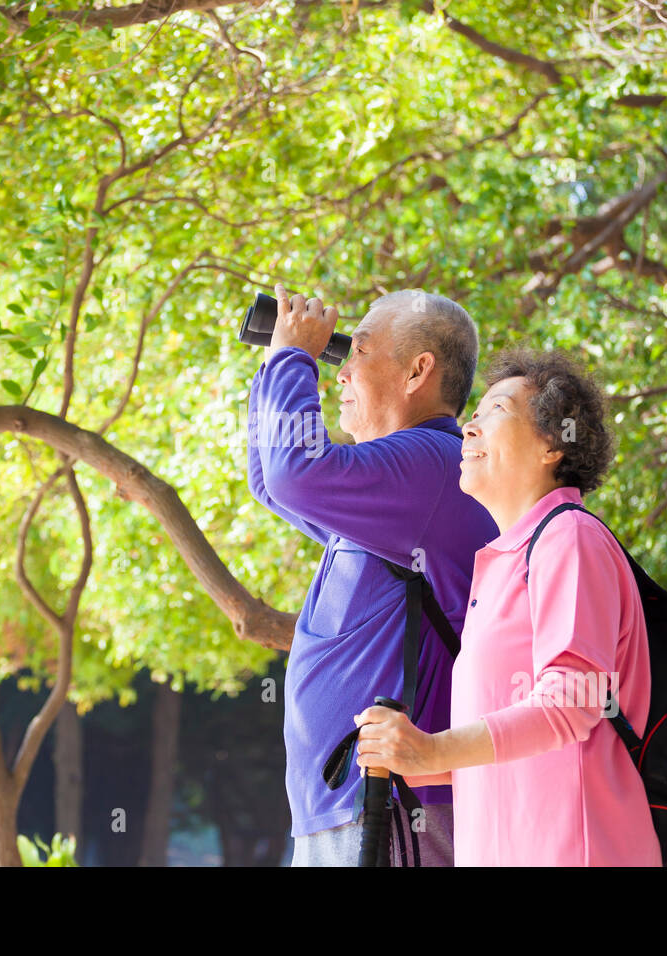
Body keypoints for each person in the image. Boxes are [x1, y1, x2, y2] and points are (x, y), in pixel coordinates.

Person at [354, 348, 662, 866]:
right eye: (473, 415)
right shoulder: (504, 561)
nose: (468, 428)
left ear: (551, 445)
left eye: (495, 411)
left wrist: (433, 750)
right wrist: (412, 756)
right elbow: (509, 748)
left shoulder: (571, 537)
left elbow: (571, 703)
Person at [247, 282, 496, 866]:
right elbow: (271, 482)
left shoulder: (433, 464)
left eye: (355, 352)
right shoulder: (398, 492)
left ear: (418, 372)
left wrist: (295, 358)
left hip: (390, 808)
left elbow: (294, 475)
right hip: (351, 805)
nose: (339, 374)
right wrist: (275, 359)